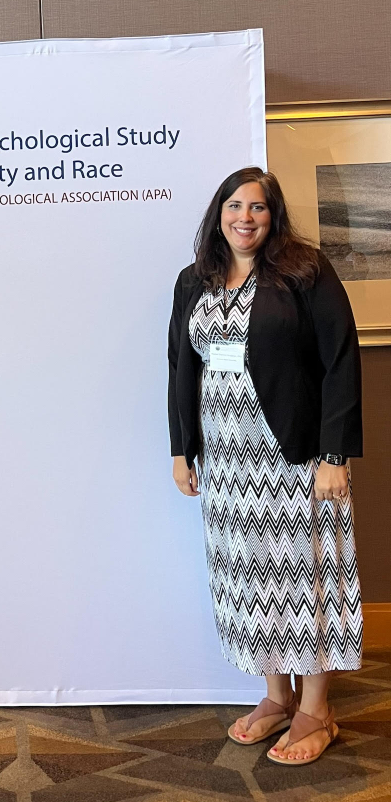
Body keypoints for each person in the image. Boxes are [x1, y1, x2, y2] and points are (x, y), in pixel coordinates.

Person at [167, 167, 362, 766]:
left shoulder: (304, 272)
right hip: (227, 462)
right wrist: (182, 448)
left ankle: (316, 710)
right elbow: (180, 366)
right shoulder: (193, 280)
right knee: (254, 580)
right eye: (234, 206)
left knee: (308, 579)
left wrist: (334, 455)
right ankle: (277, 696)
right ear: (217, 213)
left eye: (258, 208)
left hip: (292, 454)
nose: (245, 218)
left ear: (273, 217)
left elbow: (341, 359)